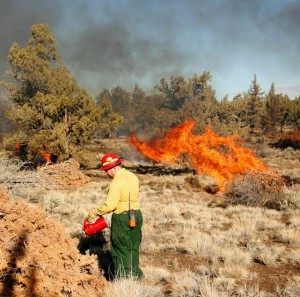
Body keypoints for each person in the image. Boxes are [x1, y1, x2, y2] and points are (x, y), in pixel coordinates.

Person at [86, 153, 143, 280]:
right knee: (133, 247)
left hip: (122, 218)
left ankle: (124, 279)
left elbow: (110, 205)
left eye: (106, 171)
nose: (106, 174)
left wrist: (93, 213)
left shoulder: (116, 183)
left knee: (120, 249)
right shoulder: (133, 176)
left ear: (112, 168)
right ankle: (136, 276)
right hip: (136, 215)